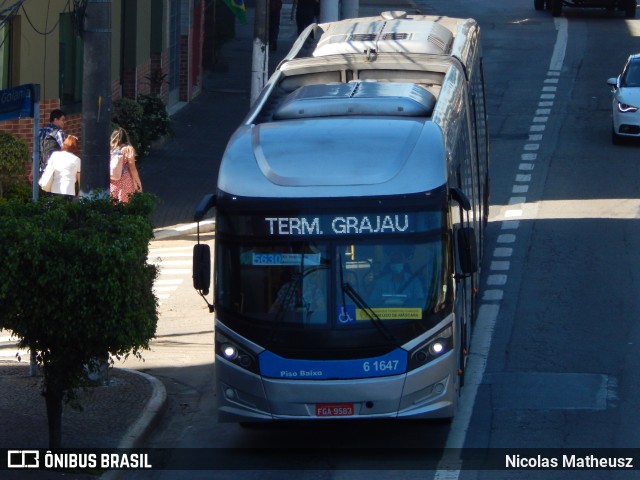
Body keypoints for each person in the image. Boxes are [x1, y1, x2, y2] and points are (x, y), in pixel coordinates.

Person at [109, 127, 143, 203]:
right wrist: (138, 182)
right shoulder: (128, 149)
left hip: (111, 179)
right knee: (125, 204)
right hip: (125, 179)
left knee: (112, 202)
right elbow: (132, 167)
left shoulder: (110, 149)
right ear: (125, 137)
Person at [38, 109, 67, 175]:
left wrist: (32, 170)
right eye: (62, 120)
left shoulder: (40, 131)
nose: (64, 122)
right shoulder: (58, 132)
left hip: (40, 169)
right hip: (53, 169)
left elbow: (36, 153)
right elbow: (64, 150)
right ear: (55, 120)